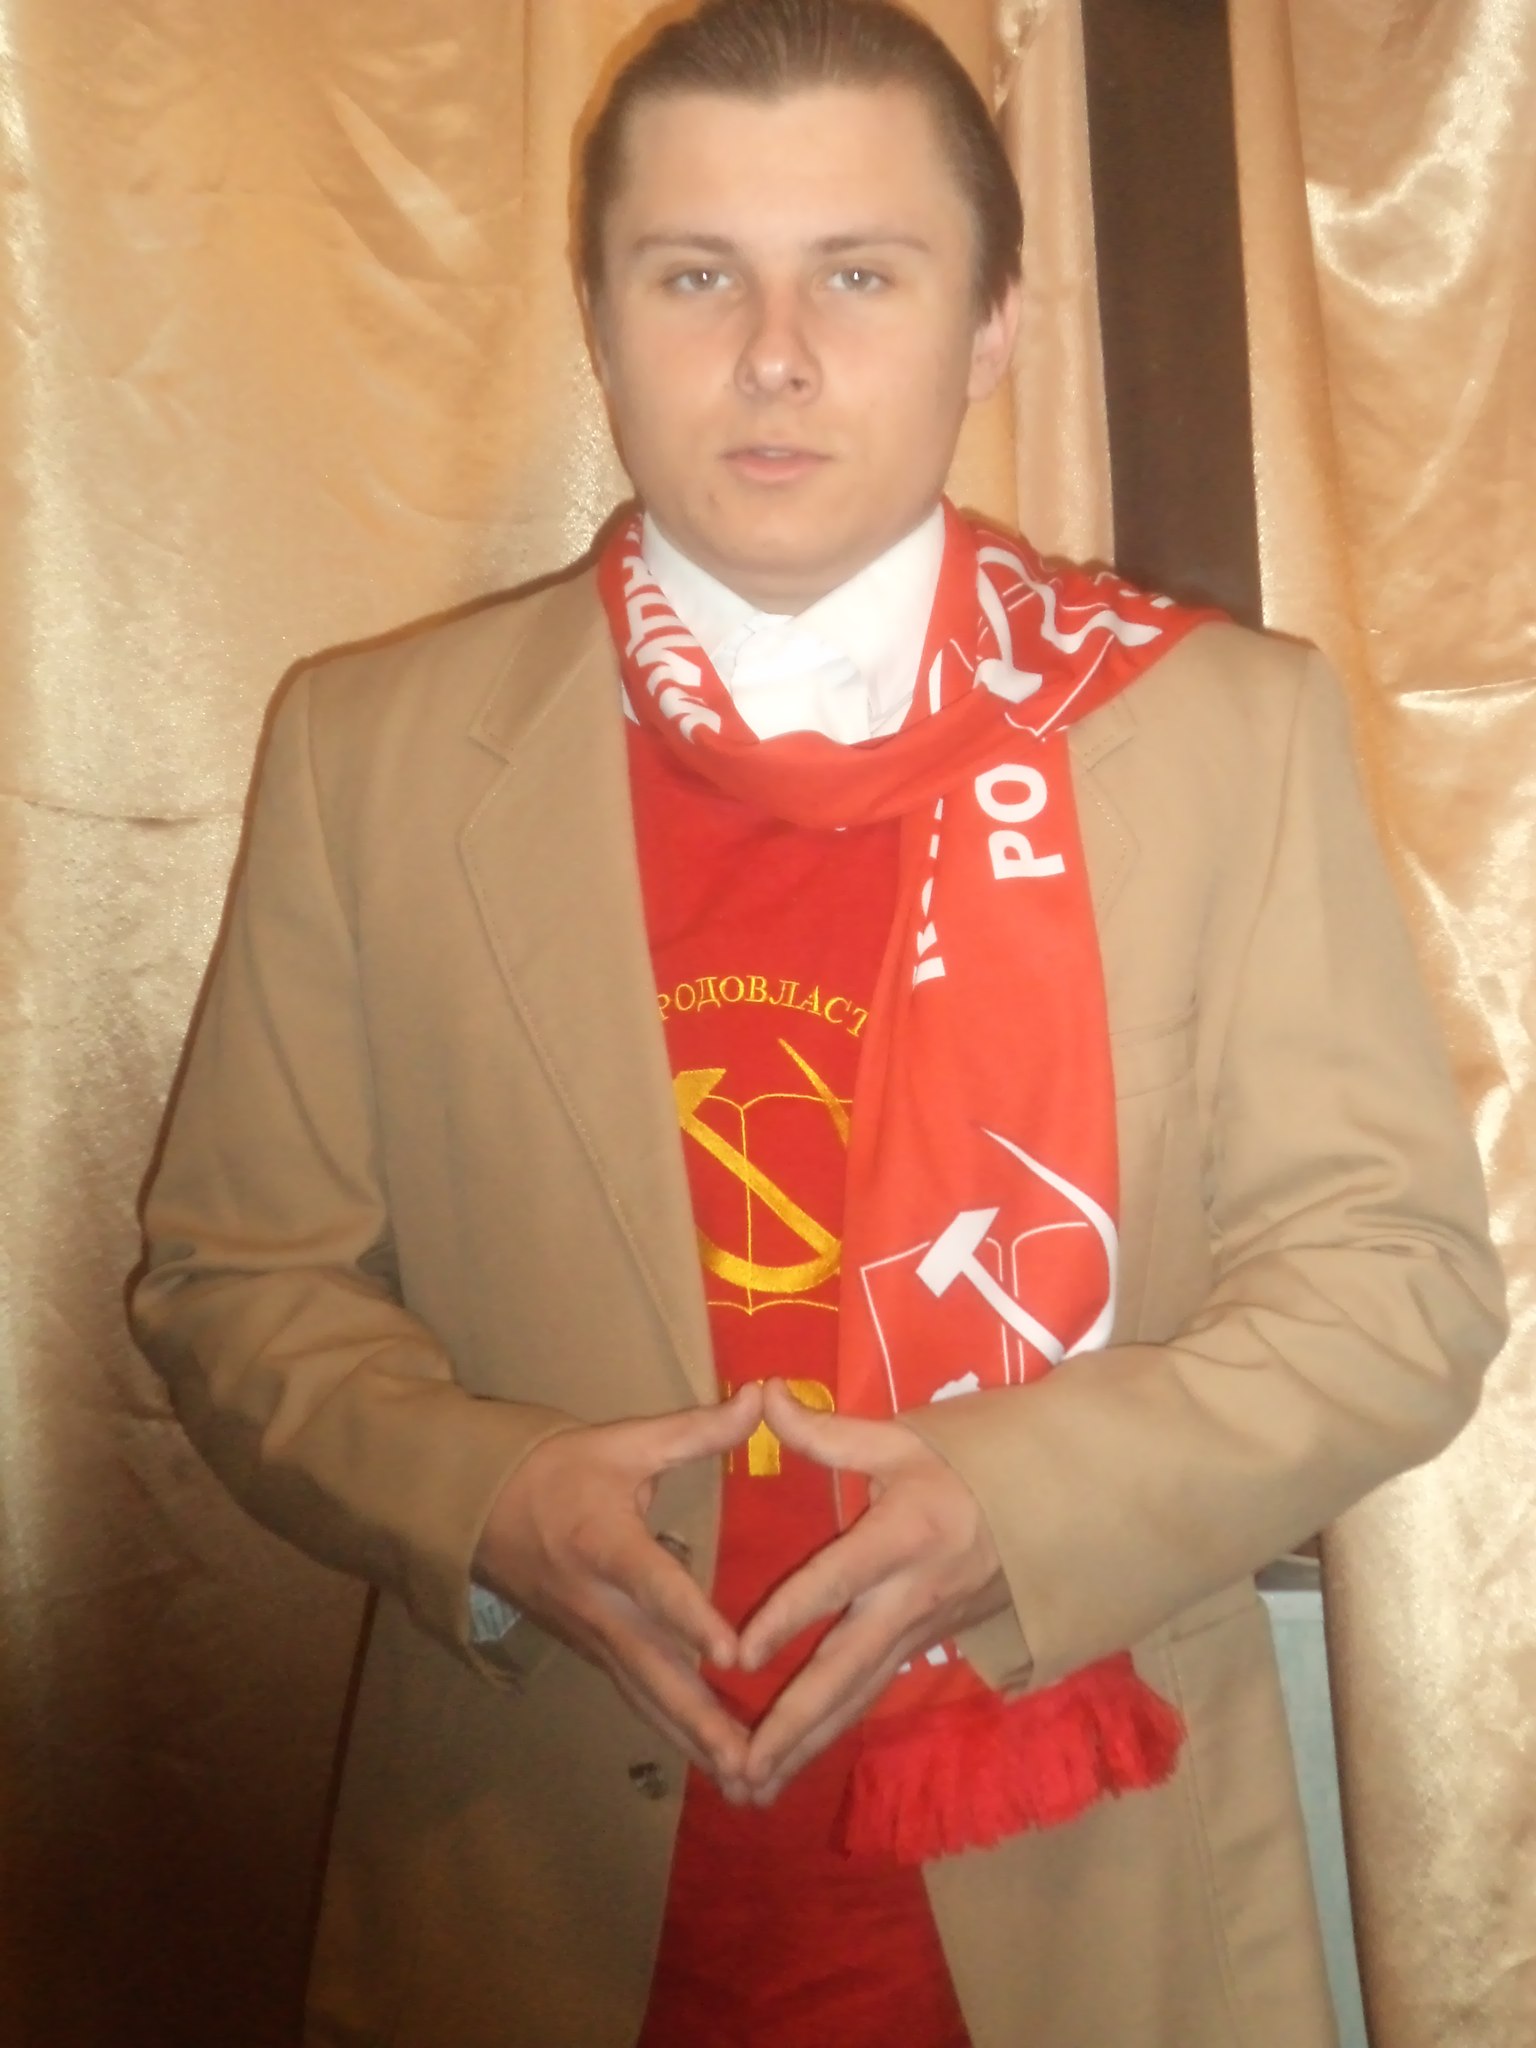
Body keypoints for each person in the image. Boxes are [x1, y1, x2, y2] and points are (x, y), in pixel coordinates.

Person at [130, 3, 1506, 2044]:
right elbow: (234, 1282)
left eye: (860, 275)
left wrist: (1024, 1509)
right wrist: (485, 1501)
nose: (774, 355)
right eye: (696, 276)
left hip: (1095, 1905)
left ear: (992, 325)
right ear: (597, 321)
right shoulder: (372, 752)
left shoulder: (1221, 734)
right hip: (524, 1902)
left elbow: (1395, 1285)